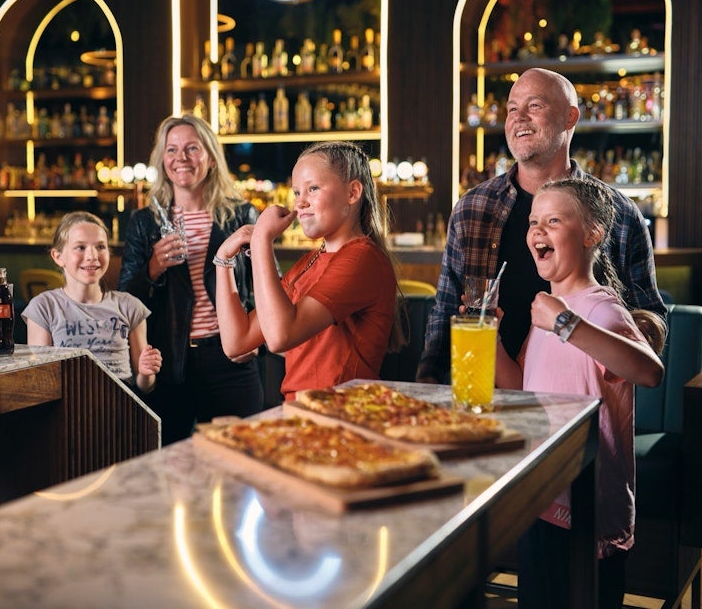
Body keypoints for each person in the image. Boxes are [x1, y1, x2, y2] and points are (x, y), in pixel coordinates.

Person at [417, 67, 666, 384]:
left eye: (534, 106)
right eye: (511, 109)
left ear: (570, 118)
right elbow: (445, 313)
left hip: (584, 402)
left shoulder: (618, 211)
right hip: (486, 390)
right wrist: (427, 383)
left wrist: (607, 338)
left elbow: (651, 317)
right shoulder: (472, 207)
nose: (518, 118)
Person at [495, 178, 665, 608]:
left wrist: (566, 325)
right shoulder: (546, 312)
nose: (538, 230)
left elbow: (649, 371)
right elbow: (522, 387)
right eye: (534, 221)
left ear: (592, 235)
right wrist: (490, 338)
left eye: (554, 221)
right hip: (542, 495)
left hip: (585, 510)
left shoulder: (601, 309)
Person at [213, 140, 404, 401]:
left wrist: (261, 242)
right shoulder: (310, 261)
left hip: (342, 416)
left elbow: (280, 337)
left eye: (313, 189)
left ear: (352, 193)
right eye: (297, 193)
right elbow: (236, 342)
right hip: (301, 414)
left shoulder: (362, 258)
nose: (300, 203)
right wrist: (223, 261)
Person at [117, 113, 264, 445]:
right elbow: (125, 300)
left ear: (210, 158)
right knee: (171, 473)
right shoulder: (145, 222)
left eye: (192, 148)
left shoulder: (241, 215)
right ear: (162, 160)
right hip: (169, 363)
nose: (180, 158)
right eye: (171, 150)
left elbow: (266, 289)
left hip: (230, 361)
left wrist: (256, 342)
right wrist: (154, 267)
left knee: (243, 467)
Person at [22, 211, 162, 393]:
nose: (92, 256)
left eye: (100, 247)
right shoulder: (43, 307)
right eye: (80, 247)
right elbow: (41, 380)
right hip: (67, 408)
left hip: (120, 409)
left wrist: (146, 373)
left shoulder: (130, 306)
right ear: (58, 256)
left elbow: (145, 386)